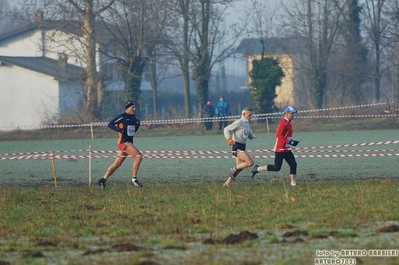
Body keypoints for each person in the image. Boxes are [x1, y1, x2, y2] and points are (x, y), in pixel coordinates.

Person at [97, 100, 144, 189]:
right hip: (123, 143)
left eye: (134, 107)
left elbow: (132, 132)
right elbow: (110, 124)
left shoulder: (134, 118)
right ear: (127, 108)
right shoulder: (122, 117)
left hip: (129, 143)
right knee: (139, 157)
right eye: (132, 107)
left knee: (117, 164)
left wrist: (137, 126)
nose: (134, 109)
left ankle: (102, 180)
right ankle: (134, 180)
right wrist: (119, 130)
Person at [251, 106, 299, 186]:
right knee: (277, 167)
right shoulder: (284, 122)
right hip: (280, 148)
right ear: (287, 114)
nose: (293, 115)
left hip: (286, 148)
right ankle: (258, 168)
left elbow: (286, 135)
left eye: (294, 113)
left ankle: (293, 183)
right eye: (292, 113)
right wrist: (289, 141)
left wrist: (291, 142)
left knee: (293, 164)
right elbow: (279, 135)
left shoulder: (288, 122)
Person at [222, 108, 256, 187]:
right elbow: (226, 129)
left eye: (251, 115)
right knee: (250, 162)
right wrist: (229, 139)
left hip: (243, 146)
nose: (251, 116)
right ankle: (232, 169)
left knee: (240, 168)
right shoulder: (239, 122)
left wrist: (253, 136)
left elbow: (249, 134)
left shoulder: (247, 123)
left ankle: (226, 184)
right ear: (244, 114)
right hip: (236, 146)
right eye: (249, 115)